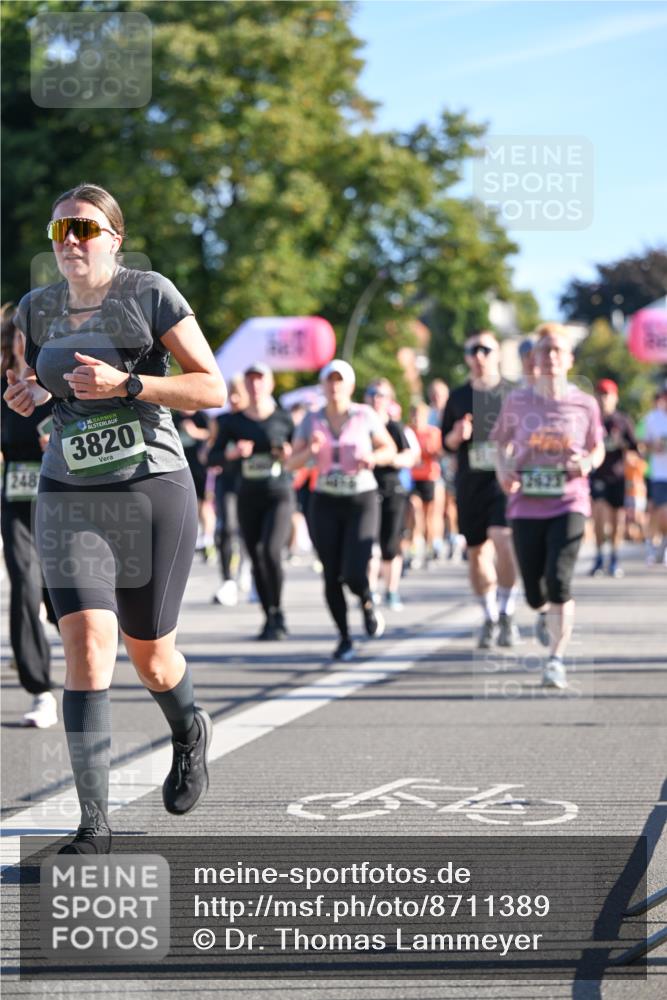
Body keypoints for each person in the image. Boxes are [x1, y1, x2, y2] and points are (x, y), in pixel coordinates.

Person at [3, 183, 226, 853]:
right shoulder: (37, 308)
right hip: (69, 491)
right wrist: (31, 393)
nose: (70, 241)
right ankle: (94, 825)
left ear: (114, 238)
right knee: (87, 645)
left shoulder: (149, 293)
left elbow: (210, 386)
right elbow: (53, 385)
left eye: (84, 228)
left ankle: (188, 729)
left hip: (150, 487)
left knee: (151, 659)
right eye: (60, 230)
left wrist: (129, 384)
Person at [491, 323, 604, 689]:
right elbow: (498, 444)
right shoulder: (517, 402)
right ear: (534, 359)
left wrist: (588, 462)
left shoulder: (585, 403)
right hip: (526, 504)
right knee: (534, 590)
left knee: (559, 579)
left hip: (570, 500)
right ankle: (543, 612)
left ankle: (555, 660)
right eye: (545, 350)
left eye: (558, 350)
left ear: (569, 359)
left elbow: (598, 446)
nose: (551, 356)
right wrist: (504, 469)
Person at [287, 360, 397, 661]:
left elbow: (390, 449)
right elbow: (291, 463)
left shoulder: (364, 415)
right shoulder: (311, 419)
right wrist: (310, 451)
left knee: (354, 570)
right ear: (323, 385)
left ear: (350, 386)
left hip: (361, 498)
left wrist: (373, 457)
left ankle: (366, 599)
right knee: (331, 573)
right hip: (325, 499)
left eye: (340, 380)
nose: (335, 386)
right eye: (330, 380)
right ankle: (345, 637)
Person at [441, 331, 519, 648]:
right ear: (466, 357)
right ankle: (489, 616)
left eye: (486, 349)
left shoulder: (513, 393)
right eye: (473, 350)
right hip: (470, 483)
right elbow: (445, 444)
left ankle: (507, 611)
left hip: (503, 482)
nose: (479, 356)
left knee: (503, 540)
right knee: (476, 553)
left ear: (497, 353)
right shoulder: (458, 397)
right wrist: (457, 435)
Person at [1, 305, 58, 727]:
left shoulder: (61, 382)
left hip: (62, 499)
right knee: (24, 583)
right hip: (17, 501)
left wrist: (60, 444)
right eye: (21, 333)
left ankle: (81, 631)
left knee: (60, 593)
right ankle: (40, 691)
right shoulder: (4, 385)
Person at [207, 362, 294, 639]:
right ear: (245, 385)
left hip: (279, 494)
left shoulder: (283, 419)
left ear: (270, 384)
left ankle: (278, 610)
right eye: (250, 380)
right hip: (246, 495)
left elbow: (301, 454)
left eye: (260, 379)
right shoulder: (232, 422)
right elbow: (211, 457)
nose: (255, 385)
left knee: (271, 551)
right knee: (256, 556)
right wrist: (232, 453)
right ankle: (269, 615)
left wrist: (289, 454)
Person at [365, 378, 416, 609]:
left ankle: (391, 590)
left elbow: (409, 456)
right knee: (368, 543)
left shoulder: (395, 427)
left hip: (392, 489)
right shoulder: (360, 425)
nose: (377, 399)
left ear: (389, 400)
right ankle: (369, 590)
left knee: (390, 543)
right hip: (366, 489)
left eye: (381, 395)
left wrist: (389, 458)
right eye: (372, 394)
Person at [588, 379, 637, 578]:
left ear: (615, 397)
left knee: (617, 519)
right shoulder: (591, 419)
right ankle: (599, 556)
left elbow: (635, 449)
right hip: (598, 475)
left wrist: (624, 447)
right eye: (600, 394)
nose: (603, 399)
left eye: (607, 395)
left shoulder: (623, 421)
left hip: (617, 476)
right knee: (598, 513)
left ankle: (614, 557)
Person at [207, 374, 248, 606]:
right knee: (227, 528)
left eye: (238, 394)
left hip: (252, 484)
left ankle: (248, 570)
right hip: (228, 481)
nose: (234, 399)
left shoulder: (256, 421)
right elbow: (209, 456)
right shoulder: (221, 421)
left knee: (248, 531)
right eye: (231, 394)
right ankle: (228, 580)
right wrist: (228, 454)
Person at [172, 408, 216, 562]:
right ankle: (195, 541)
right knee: (189, 505)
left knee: (205, 504)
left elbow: (214, 435)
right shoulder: (175, 418)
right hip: (182, 468)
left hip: (202, 468)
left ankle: (208, 541)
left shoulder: (202, 416)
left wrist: (195, 432)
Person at [408, 402, 444, 567]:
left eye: (420, 415)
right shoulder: (408, 431)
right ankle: (415, 549)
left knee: (429, 516)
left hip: (429, 477)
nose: (417, 418)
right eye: (414, 414)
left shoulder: (433, 432)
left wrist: (431, 451)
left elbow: (439, 451)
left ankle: (430, 549)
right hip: (412, 478)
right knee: (415, 512)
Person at [639, 381, 667, 566]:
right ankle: (654, 544)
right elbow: (642, 445)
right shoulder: (652, 418)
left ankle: (662, 546)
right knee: (660, 512)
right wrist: (653, 446)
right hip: (659, 474)